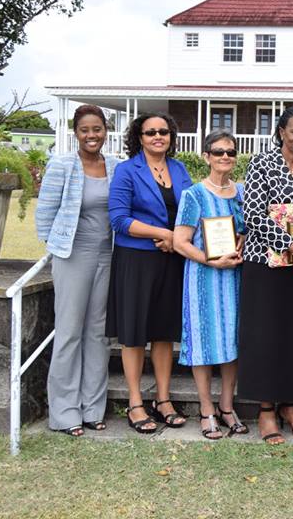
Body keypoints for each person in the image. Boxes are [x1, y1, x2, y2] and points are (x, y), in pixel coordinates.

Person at [237, 107, 293, 445]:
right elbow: (254, 216)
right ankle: (265, 410)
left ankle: (291, 406)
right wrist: (290, 244)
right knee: (265, 335)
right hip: (266, 264)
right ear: (281, 132)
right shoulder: (262, 164)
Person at [35, 105, 119, 437]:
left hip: (106, 256)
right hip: (72, 255)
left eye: (97, 129)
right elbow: (45, 211)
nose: (91, 135)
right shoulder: (62, 165)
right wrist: (52, 246)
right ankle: (65, 412)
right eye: (85, 129)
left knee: (98, 334)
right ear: (76, 133)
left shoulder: (114, 166)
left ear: (105, 131)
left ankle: (92, 408)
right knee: (69, 331)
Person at [107, 113, 192, 434]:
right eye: (150, 132)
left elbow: (191, 210)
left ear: (171, 136)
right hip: (136, 261)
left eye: (164, 132)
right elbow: (119, 218)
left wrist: (176, 237)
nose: (158, 136)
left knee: (163, 332)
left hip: (172, 261)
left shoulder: (181, 169)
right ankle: (134, 402)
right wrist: (164, 233)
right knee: (133, 333)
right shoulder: (127, 170)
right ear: (139, 137)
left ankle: (163, 399)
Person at [172, 130, 246, 440]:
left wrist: (242, 242)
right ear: (206, 156)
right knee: (204, 344)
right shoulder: (193, 195)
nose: (225, 157)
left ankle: (227, 407)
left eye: (230, 152)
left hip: (235, 278)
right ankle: (206, 409)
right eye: (218, 152)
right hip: (203, 277)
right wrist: (209, 260)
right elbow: (180, 242)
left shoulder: (241, 192)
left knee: (232, 341)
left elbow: (244, 231)